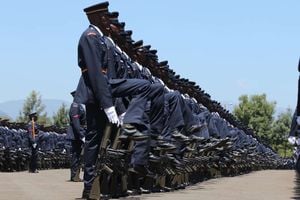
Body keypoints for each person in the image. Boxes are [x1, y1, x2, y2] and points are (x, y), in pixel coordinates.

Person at [67, 90, 86, 182]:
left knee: (77, 155)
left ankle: (75, 175)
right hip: (76, 134)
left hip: (78, 133)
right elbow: (76, 123)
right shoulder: (75, 105)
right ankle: (74, 175)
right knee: (76, 155)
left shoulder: (80, 106)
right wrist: (81, 135)